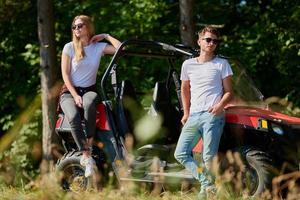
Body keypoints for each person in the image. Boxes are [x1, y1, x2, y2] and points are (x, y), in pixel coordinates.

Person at [174, 26, 233, 198]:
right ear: (199, 41)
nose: (212, 43)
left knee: (208, 157)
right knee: (180, 153)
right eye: (208, 40)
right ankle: (207, 183)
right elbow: (185, 89)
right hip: (193, 115)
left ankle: (205, 193)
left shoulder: (222, 64)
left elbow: (229, 91)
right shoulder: (188, 64)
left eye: (215, 41)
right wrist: (186, 113)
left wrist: (220, 106)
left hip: (212, 115)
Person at [59, 15, 121, 177]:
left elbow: (121, 49)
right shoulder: (69, 47)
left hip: (89, 90)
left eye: (80, 26)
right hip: (69, 91)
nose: (76, 29)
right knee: (72, 116)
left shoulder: (98, 47)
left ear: (88, 27)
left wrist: (106, 36)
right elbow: (65, 75)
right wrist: (74, 95)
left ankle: (90, 144)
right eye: (74, 27)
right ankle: (86, 156)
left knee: (89, 102)